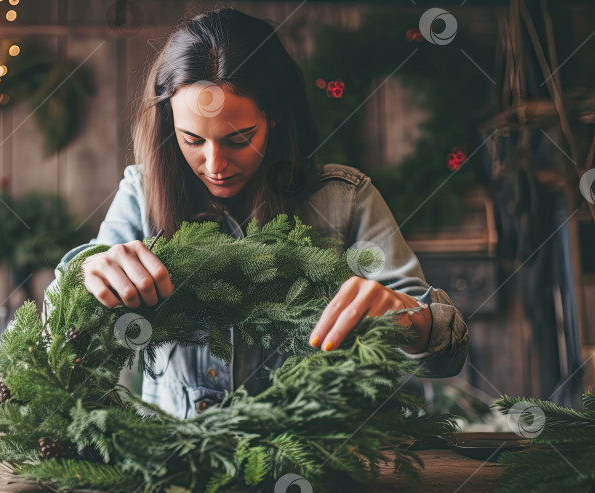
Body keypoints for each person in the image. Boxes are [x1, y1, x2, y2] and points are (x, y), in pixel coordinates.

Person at [44, 8, 468, 419]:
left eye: (238, 138)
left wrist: (411, 319)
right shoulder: (142, 194)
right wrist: (85, 275)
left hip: (319, 468)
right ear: (168, 123)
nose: (214, 164)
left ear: (277, 118)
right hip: (178, 474)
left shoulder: (347, 199)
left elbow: (442, 362)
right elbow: (60, 338)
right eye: (192, 140)